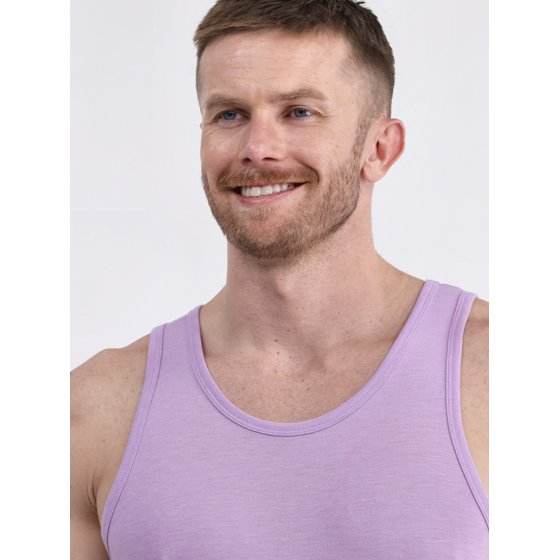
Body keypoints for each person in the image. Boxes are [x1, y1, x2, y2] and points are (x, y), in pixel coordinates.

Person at [71, 1, 489, 558]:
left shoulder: (499, 375)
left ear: (380, 148)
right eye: (229, 115)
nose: (257, 149)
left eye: (299, 112)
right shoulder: (96, 411)